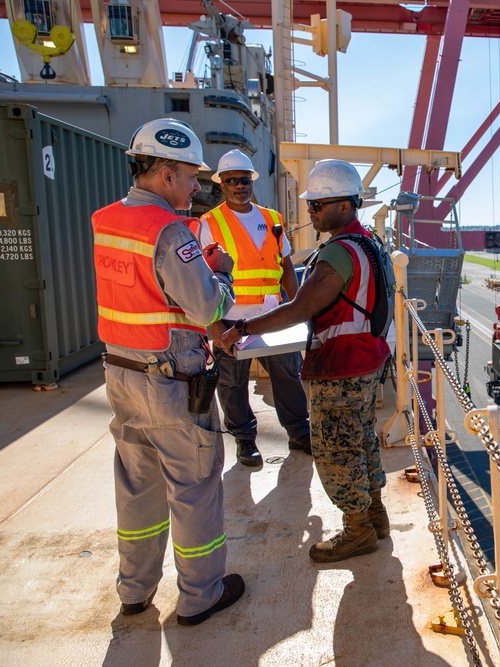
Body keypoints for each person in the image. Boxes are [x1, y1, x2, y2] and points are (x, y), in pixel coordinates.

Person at [93, 118, 244, 625]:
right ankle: (201, 595)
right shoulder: (169, 229)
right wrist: (218, 272)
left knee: (137, 485)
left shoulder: (106, 221)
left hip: (120, 373)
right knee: (195, 483)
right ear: (162, 172)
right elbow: (204, 307)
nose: (196, 186)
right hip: (170, 380)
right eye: (188, 175)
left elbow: (143, 286)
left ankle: (134, 590)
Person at [222, 159, 390, 563]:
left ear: (346, 207)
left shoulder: (339, 252)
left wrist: (242, 328)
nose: (311, 212)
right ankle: (376, 515)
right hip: (367, 362)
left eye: (319, 204)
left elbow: (299, 308)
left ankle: (357, 531)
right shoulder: (370, 244)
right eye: (311, 204)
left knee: (336, 451)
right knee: (362, 440)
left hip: (341, 368)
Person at [196, 149, 311, 468]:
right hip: (230, 317)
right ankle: (245, 441)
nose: (238, 185)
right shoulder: (210, 222)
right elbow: (204, 275)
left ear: (251, 181)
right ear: (221, 184)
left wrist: (299, 307)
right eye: (231, 180)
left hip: (272, 317)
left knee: (289, 374)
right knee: (231, 383)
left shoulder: (272, 218)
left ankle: (299, 432)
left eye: (244, 179)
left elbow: (286, 267)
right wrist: (214, 325)